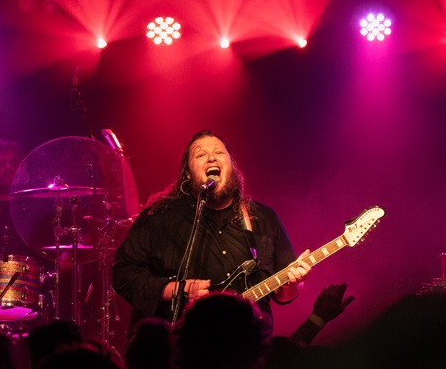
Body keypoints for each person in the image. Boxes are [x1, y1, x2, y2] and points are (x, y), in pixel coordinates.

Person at [111, 130, 311, 335]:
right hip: (180, 345)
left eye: (219, 152)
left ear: (232, 166)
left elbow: (283, 295)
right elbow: (122, 274)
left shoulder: (263, 219)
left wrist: (293, 284)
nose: (212, 158)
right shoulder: (159, 218)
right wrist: (176, 290)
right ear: (188, 174)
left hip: (247, 345)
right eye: (200, 155)